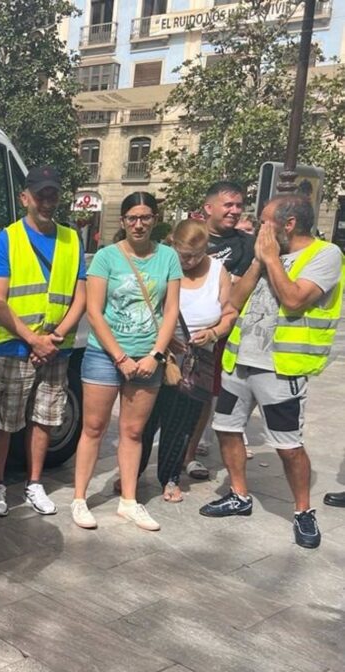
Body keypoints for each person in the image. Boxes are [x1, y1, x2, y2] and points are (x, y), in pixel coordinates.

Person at [202, 194, 343, 549]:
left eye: (265, 221)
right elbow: (234, 301)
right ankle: (239, 494)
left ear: (289, 224)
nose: (259, 227)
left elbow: (295, 299)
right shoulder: (265, 255)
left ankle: (302, 511)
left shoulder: (325, 256)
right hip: (240, 360)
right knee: (227, 428)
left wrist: (270, 259)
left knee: (288, 446)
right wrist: (258, 263)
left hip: (281, 368)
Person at [70, 192, 181, 532]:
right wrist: (119, 357)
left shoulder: (168, 258)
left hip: (148, 357)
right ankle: (79, 498)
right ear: (123, 221)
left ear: (155, 219)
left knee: (133, 432)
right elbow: (94, 311)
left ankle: (129, 502)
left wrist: (155, 356)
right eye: (132, 217)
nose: (138, 224)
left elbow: (171, 311)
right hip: (106, 356)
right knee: (93, 428)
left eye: (145, 217)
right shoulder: (105, 258)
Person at [0, 166, 87, 518]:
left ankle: (33, 483)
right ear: (25, 197)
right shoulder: (7, 238)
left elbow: (80, 296)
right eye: (40, 194)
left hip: (56, 348)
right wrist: (33, 339)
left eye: (52, 194)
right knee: (5, 420)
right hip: (16, 346)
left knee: (44, 418)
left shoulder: (72, 239)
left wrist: (54, 338)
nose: (47, 201)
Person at [135, 219, 238, 501]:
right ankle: (133, 472)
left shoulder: (218, 271)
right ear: (173, 245)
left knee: (181, 423)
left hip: (196, 360)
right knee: (145, 418)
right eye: (184, 255)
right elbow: (146, 306)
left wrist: (214, 333)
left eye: (197, 254)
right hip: (159, 353)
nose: (190, 261)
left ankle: (170, 476)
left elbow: (229, 313)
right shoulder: (162, 264)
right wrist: (164, 337)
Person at [187, 180, 256, 479]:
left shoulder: (247, 244)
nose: (235, 211)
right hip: (182, 331)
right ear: (208, 207)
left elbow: (239, 290)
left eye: (239, 205)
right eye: (228, 205)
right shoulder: (192, 236)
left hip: (223, 334)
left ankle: (190, 455)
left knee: (204, 395)